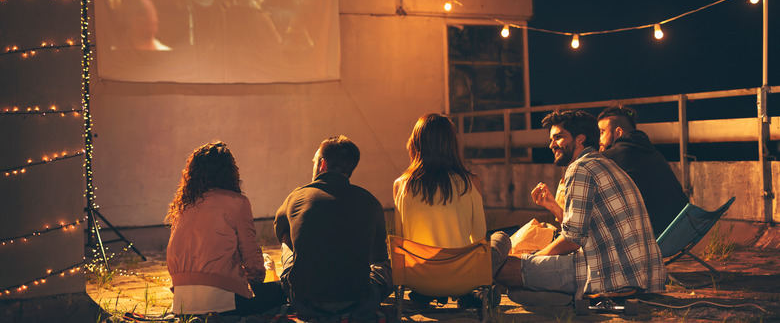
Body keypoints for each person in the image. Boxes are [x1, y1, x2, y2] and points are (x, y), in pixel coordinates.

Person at [495, 110, 666, 300]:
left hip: (607, 274)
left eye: (558, 137)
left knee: (504, 267)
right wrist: (553, 206)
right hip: (635, 274)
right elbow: (586, 229)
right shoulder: (603, 163)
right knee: (520, 289)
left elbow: (572, 240)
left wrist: (535, 257)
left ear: (580, 138)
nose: (551, 144)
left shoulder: (580, 168)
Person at [393, 113, 510, 309]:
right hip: (462, 279)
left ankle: (426, 294)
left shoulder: (401, 185)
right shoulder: (470, 182)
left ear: (416, 143)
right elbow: (479, 240)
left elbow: (402, 240)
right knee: (501, 238)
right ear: (451, 144)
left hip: (419, 280)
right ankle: (472, 294)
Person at [274, 136, 392, 319]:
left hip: (304, 303)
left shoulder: (296, 197)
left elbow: (279, 230)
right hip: (360, 302)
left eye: (314, 161)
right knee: (383, 266)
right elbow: (378, 256)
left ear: (322, 164)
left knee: (285, 240)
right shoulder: (370, 201)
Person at [165, 141, 286, 317]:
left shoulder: (183, 206)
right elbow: (252, 260)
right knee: (283, 290)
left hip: (182, 304)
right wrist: (258, 278)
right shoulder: (237, 202)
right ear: (230, 172)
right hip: (225, 304)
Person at [597, 105, 689, 236]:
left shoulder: (611, 157)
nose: (599, 139)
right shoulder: (654, 153)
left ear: (618, 132)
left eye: (602, 132)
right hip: (682, 230)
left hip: (652, 235)